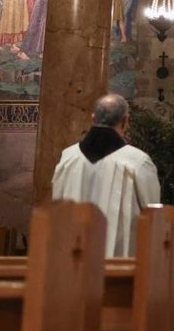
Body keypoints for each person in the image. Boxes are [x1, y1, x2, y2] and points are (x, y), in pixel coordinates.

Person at [51, 93, 161, 258]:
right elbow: (152, 213)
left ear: (93, 118)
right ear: (125, 121)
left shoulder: (68, 158)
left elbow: (57, 206)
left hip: (73, 256)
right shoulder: (137, 161)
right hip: (118, 262)